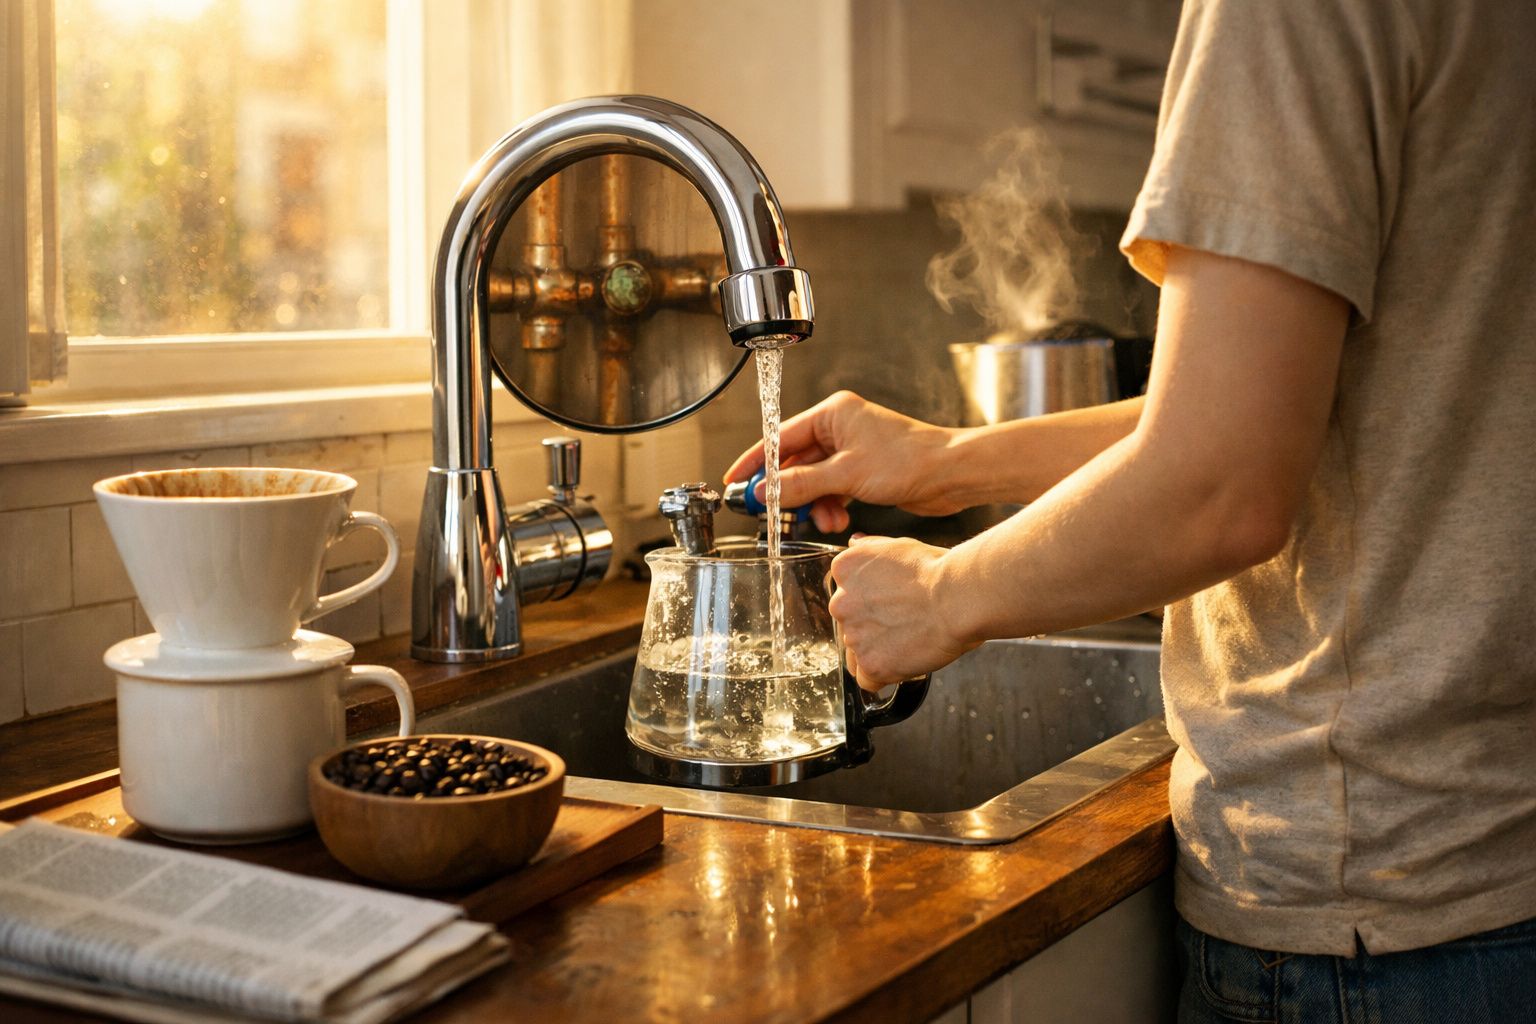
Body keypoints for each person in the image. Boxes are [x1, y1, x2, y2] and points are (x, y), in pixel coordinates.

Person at [724, 0, 1536, 1019]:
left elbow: (1222, 485)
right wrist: (949, 462)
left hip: (1375, 905)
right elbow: (1265, 411)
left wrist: (941, 593)